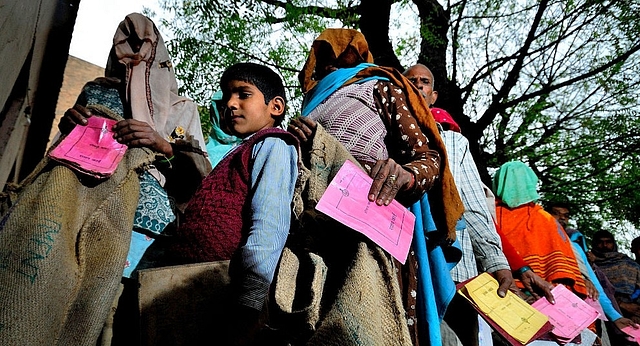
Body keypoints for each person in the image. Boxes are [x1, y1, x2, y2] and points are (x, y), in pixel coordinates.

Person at [289, 28, 464, 345]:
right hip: (309, 223)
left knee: (375, 323)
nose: (329, 65)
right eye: (322, 58)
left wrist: (404, 175)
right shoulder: (309, 104)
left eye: (339, 55)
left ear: (356, 54)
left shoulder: (380, 86)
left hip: (369, 213)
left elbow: (427, 158)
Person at [164, 62, 299, 345]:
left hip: (229, 298)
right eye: (227, 97)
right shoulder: (239, 150)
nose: (231, 104)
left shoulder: (274, 145)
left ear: (276, 107)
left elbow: (269, 224)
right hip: (196, 288)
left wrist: (249, 301)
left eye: (243, 94)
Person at [404, 64, 514, 346]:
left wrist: (496, 261)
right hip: (406, 265)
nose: (417, 85)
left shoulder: (453, 142)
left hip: (457, 273)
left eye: (424, 82)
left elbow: (474, 207)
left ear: (433, 95)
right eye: (411, 80)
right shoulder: (388, 135)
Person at [493, 161, 588, 298]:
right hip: (548, 292)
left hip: (504, 289)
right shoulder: (545, 218)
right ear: (530, 182)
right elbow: (564, 267)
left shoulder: (489, 215)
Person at [547, 202, 638, 343]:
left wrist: (615, 317)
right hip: (545, 307)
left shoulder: (575, 248)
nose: (562, 219)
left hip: (578, 313)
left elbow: (595, 287)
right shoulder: (536, 239)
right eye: (556, 214)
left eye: (566, 215)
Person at [590, 230, 640, 325]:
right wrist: (621, 304)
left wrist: (635, 312)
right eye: (600, 242)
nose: (604, 245)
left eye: (608, 242)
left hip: (634, 312)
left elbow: (638, 289)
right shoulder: (590, 264)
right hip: (603, 313)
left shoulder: (628, 263)